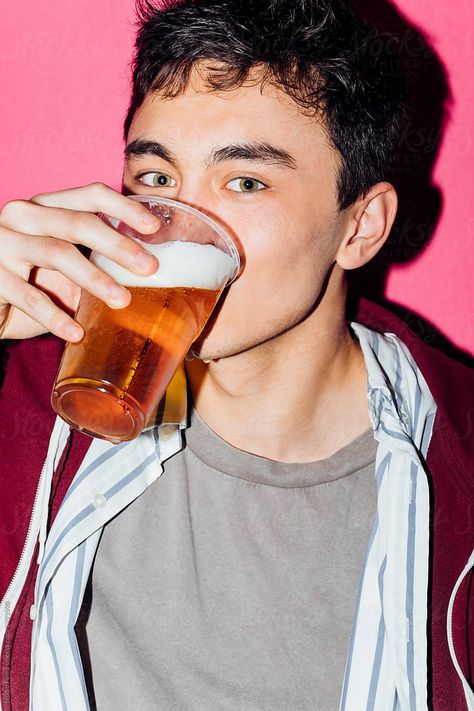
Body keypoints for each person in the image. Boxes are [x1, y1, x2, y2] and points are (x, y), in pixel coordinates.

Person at [0, 0, 472, 709]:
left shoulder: (460, 449)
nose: (176, 230)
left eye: (245, 182)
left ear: (361, 226)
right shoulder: (36, 395)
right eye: (156, 179)